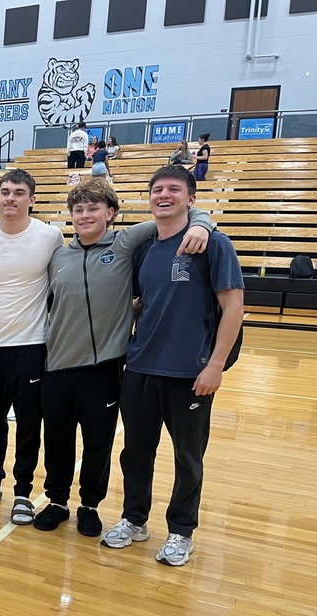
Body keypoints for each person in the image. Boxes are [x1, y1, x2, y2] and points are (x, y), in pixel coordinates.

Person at [35, 179, 213, 536]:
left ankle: (89, 505)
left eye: (93, 208)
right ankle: (56, 500)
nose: (85, 215)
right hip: (57, 366)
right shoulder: (58, 256)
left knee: (98, 442)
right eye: (79, 210)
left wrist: (201, 224)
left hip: (104, 368)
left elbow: (180, 212)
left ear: (110, 213)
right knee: (56, 439)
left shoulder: (126, 242)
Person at [103, 165, 244, 566]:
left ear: (191, 199)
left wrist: (215, 366)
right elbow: (142, 302)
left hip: (190, 374)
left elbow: (234, 309)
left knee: (187, 458)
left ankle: (182, 531)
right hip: (142, 368)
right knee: (135, 453)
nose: (163, 196)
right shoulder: (145, 248)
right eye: (157, 190)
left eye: (173, 190)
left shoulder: (213, 244)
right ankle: (135, 520)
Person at [0, 169, 64, 523]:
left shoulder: (50, 236)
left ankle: (23, 492)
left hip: (31, 345)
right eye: (5, 191)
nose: (10, 198)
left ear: (31, 199)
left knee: (27, 423)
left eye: (19, 192)